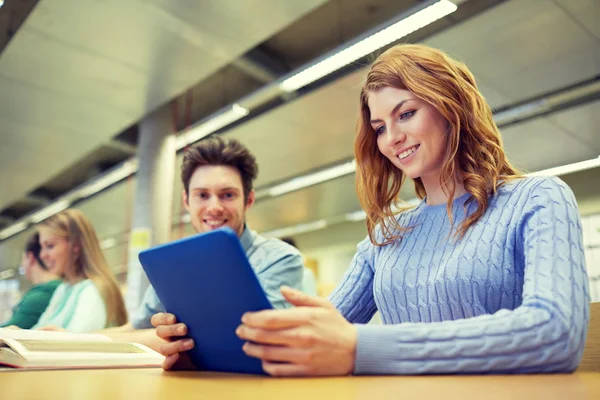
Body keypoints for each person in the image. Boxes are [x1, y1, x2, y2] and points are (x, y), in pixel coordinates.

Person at [153, 44, 590, 375]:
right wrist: (199, 350)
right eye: (380, 128)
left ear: (451, 107)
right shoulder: (386, 236)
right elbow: (321, 334)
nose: (392, 138)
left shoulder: (537, 199)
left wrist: (363, 348)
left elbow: (557, 334)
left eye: (407, 114)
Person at [101, 137, 304, 354]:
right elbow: (135, 329)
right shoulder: (172, 265)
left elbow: (249, 339)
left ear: (249, 200)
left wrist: (163, 338)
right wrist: (71, 338)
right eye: (202, 195)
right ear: (187, 201)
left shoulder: (280, 259)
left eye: (227, 195)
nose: (214, 207)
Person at [33, 209, 128, 332]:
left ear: (75, 246)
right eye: (42, 247)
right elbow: (38, 330)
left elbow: (78, 342)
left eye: (50, 246)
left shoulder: (93, 290)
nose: (42, 255)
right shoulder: (64, 289)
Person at [1, 232, 61, 329]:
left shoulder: (41, 295)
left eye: (23, 258)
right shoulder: (59, 288)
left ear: (30, 257)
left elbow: (8, 330)